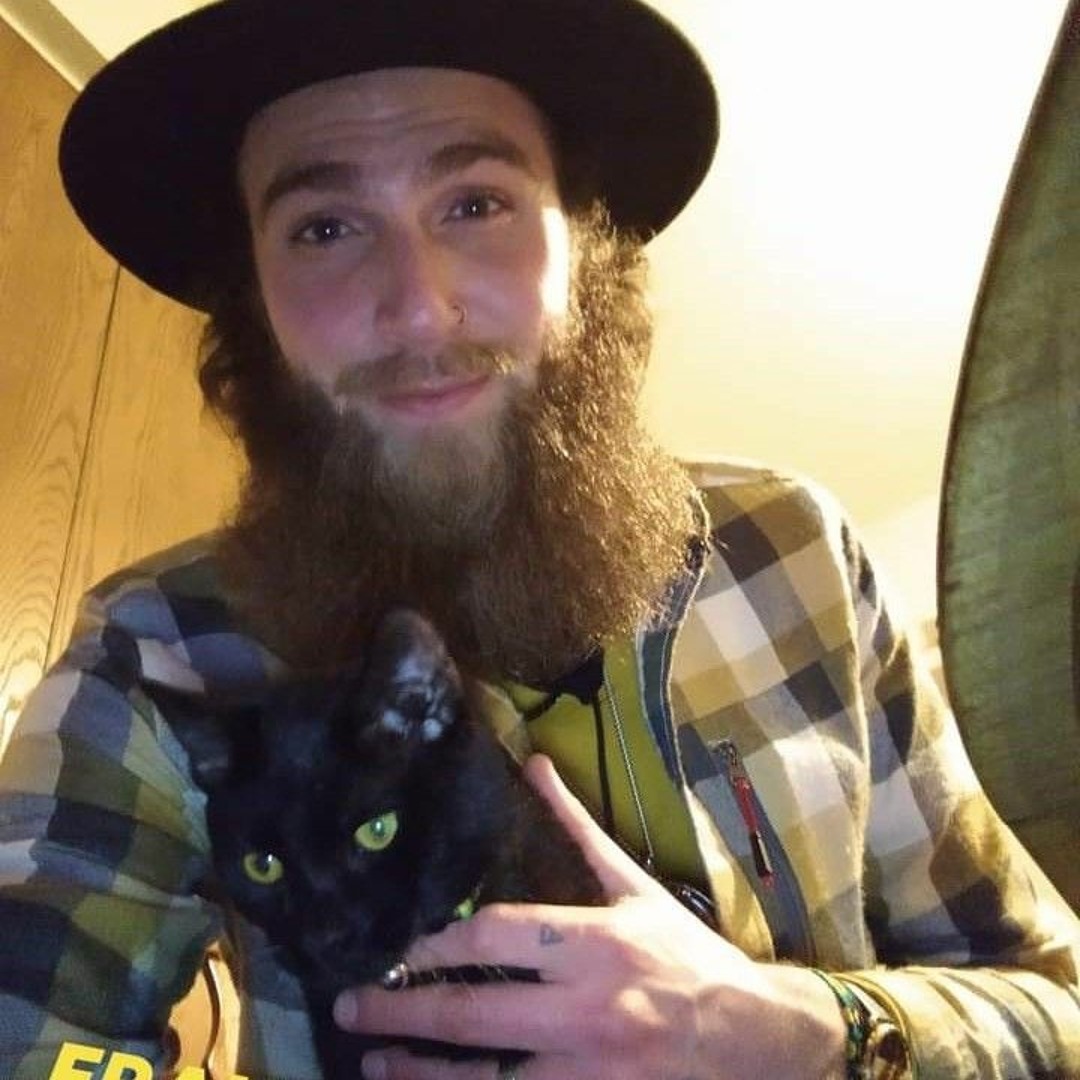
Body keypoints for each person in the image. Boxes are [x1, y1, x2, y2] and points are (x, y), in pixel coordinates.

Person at [1, 0, 1078, 1077]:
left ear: (584, 249)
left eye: (476, 204)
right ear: (255, 302)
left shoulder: (797, 552)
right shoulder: (154, 652)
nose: (418, 309)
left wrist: (822, 1032)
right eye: (324, 229)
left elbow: (1055, 1001)